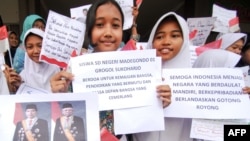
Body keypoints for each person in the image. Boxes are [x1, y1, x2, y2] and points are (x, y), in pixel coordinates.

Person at [50, 0, 170, 140]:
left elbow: (144, 112)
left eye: (115, 25)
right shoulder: (73, 70)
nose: (108, 32)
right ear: (89, 31)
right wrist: (58, 94)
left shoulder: (137, 66)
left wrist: (159, 98)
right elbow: (65, 117)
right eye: (100, 25)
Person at [132, 12, 192, 141]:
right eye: (159, 37)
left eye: (175, 36)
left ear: (185, 40)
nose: (166, 42)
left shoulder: (197, 80)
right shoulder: (137, 75)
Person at [5, 28, 60, 93]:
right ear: (25, 49)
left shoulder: (58, 72)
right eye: (30, 47)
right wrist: (18, 86)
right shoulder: (23, 77)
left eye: (40, 46)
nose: (36, 51)